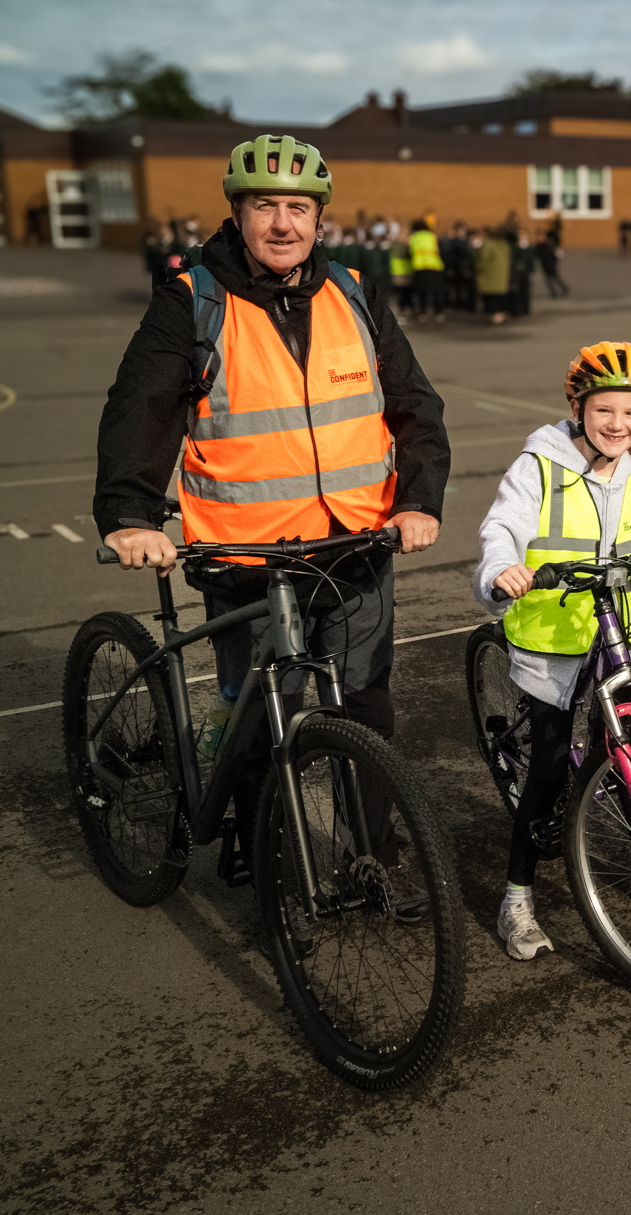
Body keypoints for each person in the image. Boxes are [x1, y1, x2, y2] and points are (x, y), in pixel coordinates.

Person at [94, 134, 449, 880]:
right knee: (261, 715)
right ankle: (259, 851)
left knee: (365, 708)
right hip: (246, 558)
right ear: (237, 211)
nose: (282, 223)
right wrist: (129, 513)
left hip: (353, 549)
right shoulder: (193, 300)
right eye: (265, 206)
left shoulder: (354, 290)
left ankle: (374, 856)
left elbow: (414, 403)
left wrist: (418, 500)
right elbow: (142, 405)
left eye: (298, 207)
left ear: (320, 217)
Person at [476, 342, 631, 960]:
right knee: (546, 768)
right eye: (604, 410)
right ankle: (516, 896)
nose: (617, 423)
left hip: (618, 629)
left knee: (629, 750)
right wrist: (501, 568)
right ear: (577, 407)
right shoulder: (538, 464)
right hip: (554, 636)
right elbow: (502, 527)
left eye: (630, 412)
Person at [407, 218, 444, 323]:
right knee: (437, 292)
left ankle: (422, 313)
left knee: (421, 293)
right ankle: (439, 313)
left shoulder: (413, 238)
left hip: (420, 267)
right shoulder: (433, 236)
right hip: (435, 266)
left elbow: (410, 252)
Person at [476, 225, 513, 326]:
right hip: (501, 277)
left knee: (491, 297)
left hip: (490, 275)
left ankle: (496, 317)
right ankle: (501, 314)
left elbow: (484, 261)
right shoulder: (505, 246)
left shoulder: (489, 245)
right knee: (500, 296)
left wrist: (478, 267)